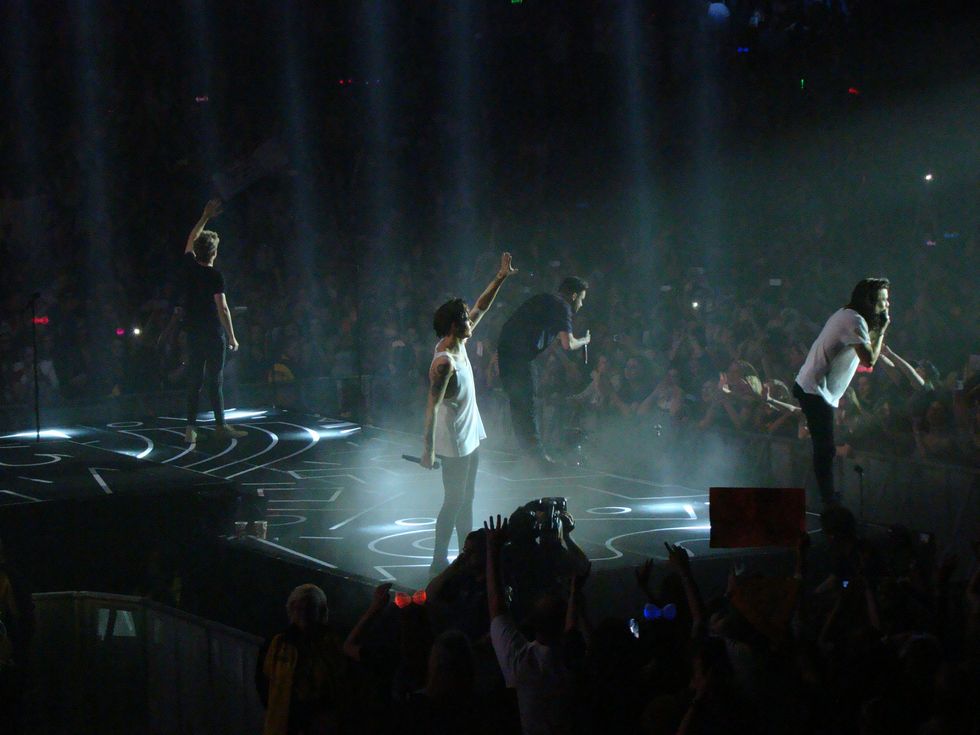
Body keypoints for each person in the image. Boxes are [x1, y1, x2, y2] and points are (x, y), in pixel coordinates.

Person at [421, 253, 517, 574]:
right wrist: (428, 451)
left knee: (469, 498)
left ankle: (468, 553)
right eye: (465, 319)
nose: (471, 321)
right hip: (454, 444)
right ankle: (438, 560)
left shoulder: (461, 340)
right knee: (454, 501)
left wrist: (500, 277)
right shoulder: (444, 361)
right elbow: (431, 407)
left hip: (470, 433)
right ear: (453, 325)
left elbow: (482, 305)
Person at [793, 278, 890, 505]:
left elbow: (865, 357)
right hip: (815, 390)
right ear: (870, 300)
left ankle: (822, 495)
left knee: (823, 446)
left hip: (817, 389)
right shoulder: (852, 319)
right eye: (883, 300)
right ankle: (827, 500)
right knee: (825, 448)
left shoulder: (850, 316)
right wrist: (883, 328)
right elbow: (870, 359)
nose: (887, 305)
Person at [497, 276, 591, 465]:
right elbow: (568, 343)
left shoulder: (544, 299)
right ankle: (538, 458)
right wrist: (585, 340)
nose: (580, 305)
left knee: (518, 403)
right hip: (519, 356)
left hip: (505, 351)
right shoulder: (563, 307)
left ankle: (527, 453)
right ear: (573, 296)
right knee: (527, 402)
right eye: (581, 299)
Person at [181, 198, 246, 443]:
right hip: (212, 332)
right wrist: (232, 336)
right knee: (214, 380)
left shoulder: (189, 267)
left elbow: (191, 237)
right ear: (215, 253)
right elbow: (223, 308)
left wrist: (205, 216)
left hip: (193, 332)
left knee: (194, 380)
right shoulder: (215, 275)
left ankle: (190, 429)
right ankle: (220, 426)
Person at [256, 584, 354, 735]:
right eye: (298, 608)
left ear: (320, 611)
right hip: (286, 724)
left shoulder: (331, 643)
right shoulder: (278, 642)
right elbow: (263, 680)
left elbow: (340, 683)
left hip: (317, 725)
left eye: (308, 609)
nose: (303, 614)